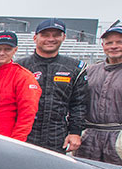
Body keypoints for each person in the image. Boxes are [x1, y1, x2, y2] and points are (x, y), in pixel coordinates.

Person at [76, 25, 122, 168]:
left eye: (120, 42)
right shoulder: (90, 70)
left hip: (121, 139)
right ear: (103, 46)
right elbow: (78, 103)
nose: (114, 46)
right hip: (88, 137)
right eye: (109, 43)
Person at [15, 18, 89, 153]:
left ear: (64, 37)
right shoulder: (20, 66)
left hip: (57, 135)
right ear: (35, 37)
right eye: (45, 35)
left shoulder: (74, 68)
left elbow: (79, 104)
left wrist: (75, 131)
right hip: (24, 134)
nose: (51, 39)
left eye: (56, 35)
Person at [0, 31, 41, 142]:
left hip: (5, 140)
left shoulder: (23, 77)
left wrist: (16, 142)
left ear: (15, 50)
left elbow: (27, 114)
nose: (1, 53)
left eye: (7, 49)